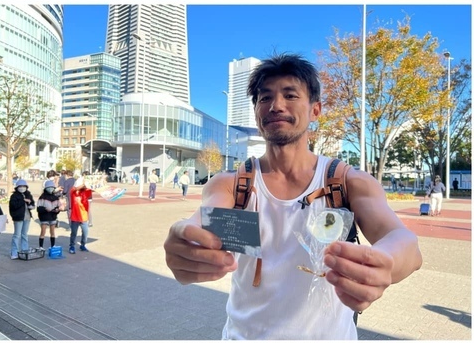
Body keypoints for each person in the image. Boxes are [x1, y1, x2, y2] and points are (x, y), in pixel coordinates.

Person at [164, 53, 422, 340]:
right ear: (256, 111)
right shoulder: (233, 185)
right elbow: (201, 225)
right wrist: (185, 246)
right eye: (265, 98)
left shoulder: (346, 182)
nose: (276, 106)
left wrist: (385, 262)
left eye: (290, 95)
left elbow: (406, 245)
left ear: (315, 110)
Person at [9, 178, 34, 259]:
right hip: (18, 218)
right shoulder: (14, 196)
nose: (22, 188)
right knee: (17, 235)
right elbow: (14, 206)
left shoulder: (28, 194)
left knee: (24, 235)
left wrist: (30, 204)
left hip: (27, 217)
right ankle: (14, 252)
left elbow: (32, 204)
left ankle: (24, 251)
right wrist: (23, 201)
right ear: (17, 187)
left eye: (24, 186)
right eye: (20, 186)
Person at [69, 177, 92, 253]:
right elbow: (75, 188)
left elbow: (93, 188)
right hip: (75, 217)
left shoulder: (86, 192)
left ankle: (83, 245)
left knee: (85, 233)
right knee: (74, 233)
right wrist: (83, 183)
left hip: (84, 217)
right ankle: (72, 246)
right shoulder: (73, 192)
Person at [37, 178, 61, 251]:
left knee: (52, 232)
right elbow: (38, 208)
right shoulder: (42, 197)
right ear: (46, 188)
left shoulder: (56, 197)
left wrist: (57, 210)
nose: (50, 189)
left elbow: (58, 207)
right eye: (49, 188)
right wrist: (45, 209)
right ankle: (41, 246)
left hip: (53, 217)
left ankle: (53, 246)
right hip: (44, 217)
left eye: (52, 188)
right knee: (43, 232)